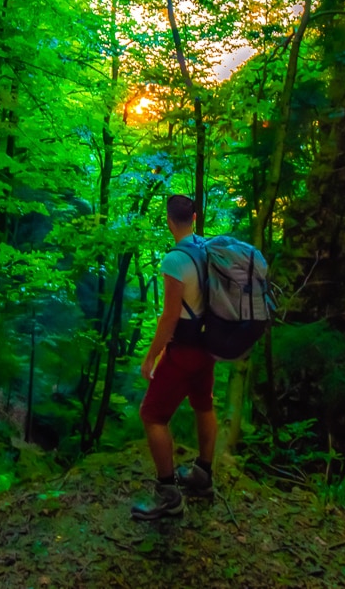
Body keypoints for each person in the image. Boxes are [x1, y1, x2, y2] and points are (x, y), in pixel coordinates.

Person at [131, 194, 217, 521]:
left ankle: (168, 496)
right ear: (194, 218)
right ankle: (203, 475)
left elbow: (169, 317)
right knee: (204, 405)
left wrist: (151, 358)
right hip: (208, 347)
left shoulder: (174, 261)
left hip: (183, 351)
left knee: (152, 415)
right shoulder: (208, 250)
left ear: (169, 220)